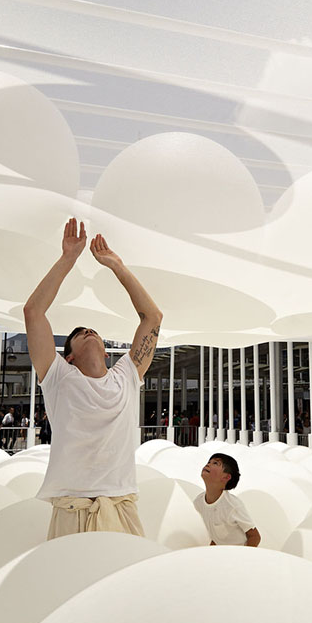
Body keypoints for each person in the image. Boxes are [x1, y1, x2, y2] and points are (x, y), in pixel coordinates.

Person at [25, 218, 162, 539]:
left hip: (121, 502)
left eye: (93, 331)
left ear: (106, 351)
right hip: (72, 505)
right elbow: (34, 312)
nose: (88, 331)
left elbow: (152, 317)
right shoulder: (58, 375)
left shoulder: (126, 375)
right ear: (68, 355)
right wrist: (68, 258)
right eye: (78, 334)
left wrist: (118, 267)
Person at [194, 453, 260, 547]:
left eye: (216, 463)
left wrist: (245, 558)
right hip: (223, 555)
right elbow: (216, 537)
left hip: (240, 555)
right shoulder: (198, 502)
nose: (208, 464)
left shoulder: (233, 506)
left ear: (226, 477)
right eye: (209, 462)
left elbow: (255, 537)